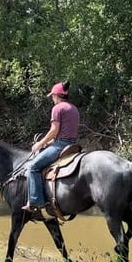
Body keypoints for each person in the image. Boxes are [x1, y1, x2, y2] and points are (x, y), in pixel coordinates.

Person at [22, 80, 80, 212]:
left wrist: (40, 144)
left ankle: (37, 201)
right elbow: (65, 132)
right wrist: (49, 143)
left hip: (61, 146)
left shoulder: (57, 108)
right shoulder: (74, 109)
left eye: (52, 96)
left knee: (32, 167)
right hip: (73, 144)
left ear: (57, 95)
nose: (52, 99)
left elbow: (54, 130)